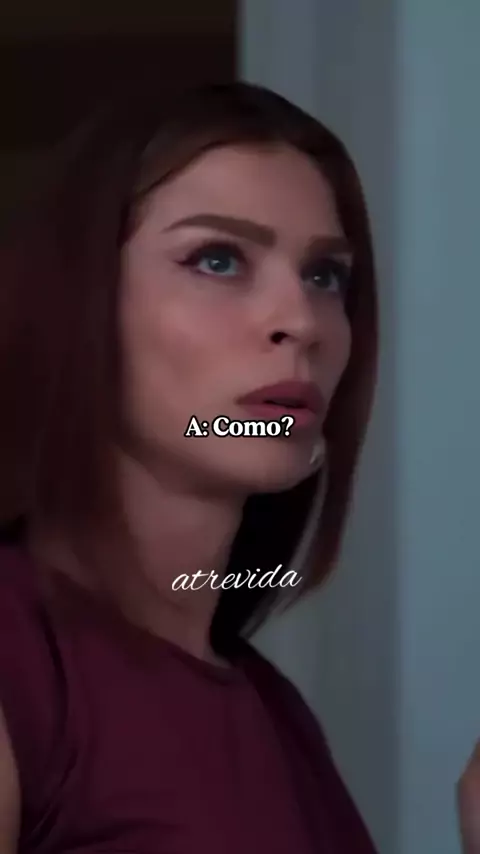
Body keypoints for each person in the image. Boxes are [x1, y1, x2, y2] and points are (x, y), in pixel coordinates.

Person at [0, 81, 379, 853]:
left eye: (324, 275)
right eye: (217, 258)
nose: (299, 321)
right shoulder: (17, 656)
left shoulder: (279, 717)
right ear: (80, 298)